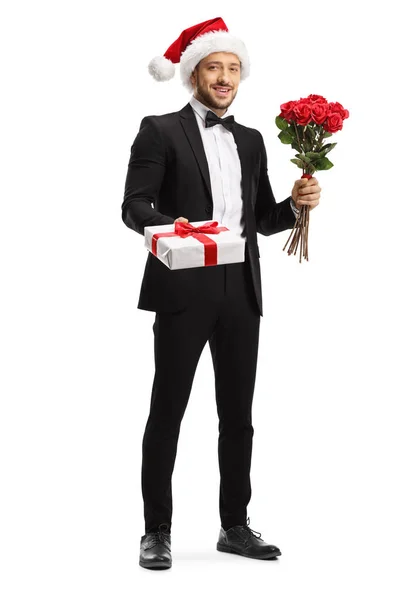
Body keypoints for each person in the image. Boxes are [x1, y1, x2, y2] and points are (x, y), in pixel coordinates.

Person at [121, 17, 321, 570]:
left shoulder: (252, 141)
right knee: (168, 411)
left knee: (238, 415)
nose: (225, 77)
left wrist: (298, 206)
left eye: (233, 68)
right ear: (194, 75)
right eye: (215, 67)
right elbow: (133, 205)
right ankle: (156, 531)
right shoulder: (159, 130)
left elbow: (261, 219)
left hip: (242, 292)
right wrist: (171, 225)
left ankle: (235, 525)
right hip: (183, 285)